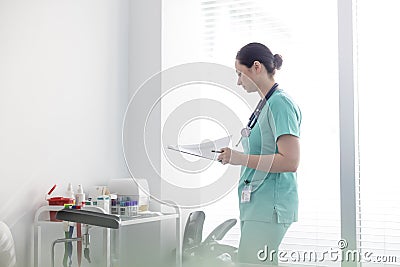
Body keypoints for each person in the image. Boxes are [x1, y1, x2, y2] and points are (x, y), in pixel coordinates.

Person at [217, 42, 301, 265]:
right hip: (256, 204)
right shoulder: (266, 104)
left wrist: (239, 158)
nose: (238, 81)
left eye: (239, 74)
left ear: (256, 67)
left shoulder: (280, 104)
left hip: (270, 205)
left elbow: (290, 161)